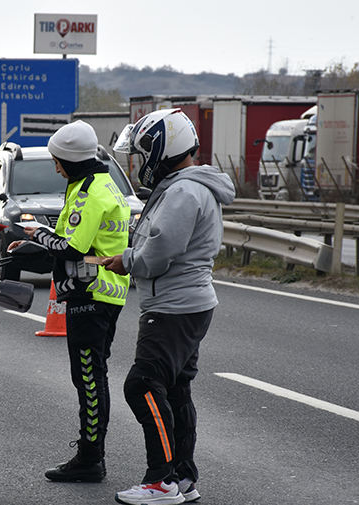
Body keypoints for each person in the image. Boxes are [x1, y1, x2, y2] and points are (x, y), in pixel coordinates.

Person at [103, 109, 235, 505]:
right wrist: (131, 255)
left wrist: (127, 260)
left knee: (141, 385)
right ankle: (183, 477)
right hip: (186, 302)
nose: (141, 162)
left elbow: (159, 252)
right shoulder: (186, 186)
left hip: (174, 305)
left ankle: (160, 479)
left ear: (163, 149)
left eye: (144, 154)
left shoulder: (182, 192)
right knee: (175, 389)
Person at [8, 120, 131, 482]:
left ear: (73, 161)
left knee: (90, 380)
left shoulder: (89, 191)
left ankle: (91, 458)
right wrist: (38, 248)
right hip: (101, 293)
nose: (56, 167)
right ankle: (91, 454)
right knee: (93, 377)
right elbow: (79, 246)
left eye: (58, 160)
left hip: (90, 295)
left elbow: (71, 247)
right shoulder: (99, 182)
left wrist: (37, 232)